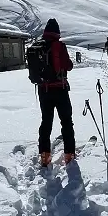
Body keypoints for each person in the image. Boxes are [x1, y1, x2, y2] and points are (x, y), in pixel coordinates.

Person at [37, 18, 76, 167]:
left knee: (46, 122)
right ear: (57, 32)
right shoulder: (59, 46)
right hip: (60, 89)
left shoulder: (38, 47)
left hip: (44, 90)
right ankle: (69, 154)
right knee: (66, 121)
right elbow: (69, 66)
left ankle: (45, 156)